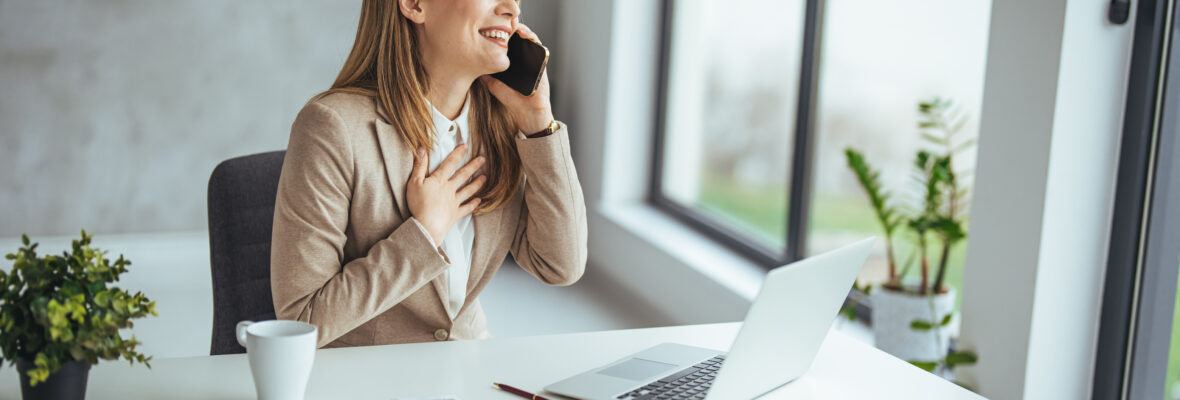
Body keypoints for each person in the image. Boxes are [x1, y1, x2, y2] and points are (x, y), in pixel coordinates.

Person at [270, 0, 586, 348]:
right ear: (414, 5)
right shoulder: (332, 128)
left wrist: (539, 122)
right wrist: (424, 233)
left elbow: (560, 265)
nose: (512, 7)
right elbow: (301, 321)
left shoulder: (504, 123)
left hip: (465, 371)